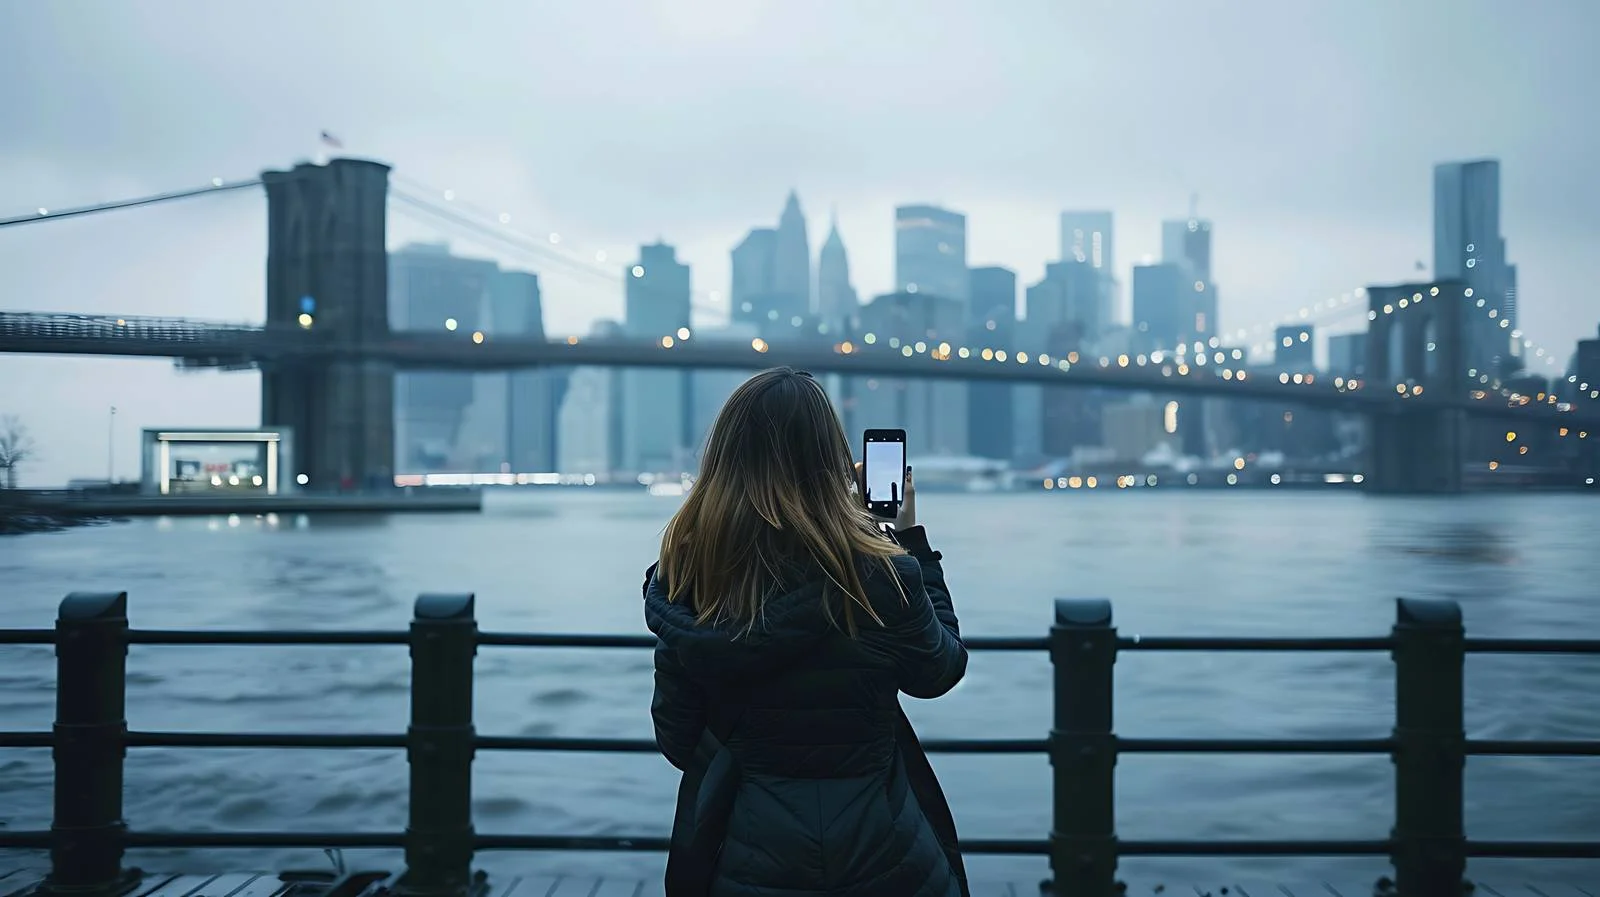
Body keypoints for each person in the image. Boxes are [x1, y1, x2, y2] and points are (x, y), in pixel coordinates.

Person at [644, 367, 969, 897]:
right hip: (883, 852)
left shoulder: (691, 576)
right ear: (832, 462)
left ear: (723, 460)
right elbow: (938, 671)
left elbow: (678, 738)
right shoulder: (880, 577)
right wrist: (909, 541)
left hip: (748, 856)